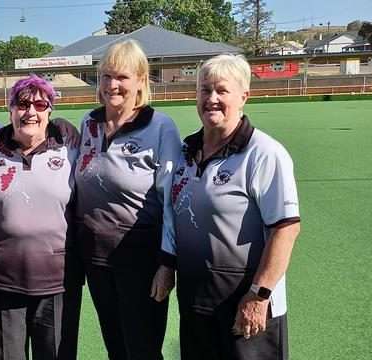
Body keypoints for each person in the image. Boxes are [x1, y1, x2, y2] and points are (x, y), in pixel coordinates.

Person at [154, 54, 301, 360]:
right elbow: (174, 215)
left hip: (246, 302)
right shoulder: (184, 152)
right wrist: (167, 264)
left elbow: (285, 230)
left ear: (244, 96)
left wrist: (259, 296)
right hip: (196, 301)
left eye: (222, 91)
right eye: (205, 90)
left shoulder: (264, 153)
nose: (212, 99)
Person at [73, 40, 182, 360]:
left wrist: (166, 263)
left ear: (141, 81)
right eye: (106, 76)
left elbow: (171, 200)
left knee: (143, 348)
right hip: (95, 256)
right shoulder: (88, 123)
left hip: (141, 258)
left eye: (122, 77)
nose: (112, 85)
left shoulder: (161, 127)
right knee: (116, 345)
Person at [0, 75, 81, 360]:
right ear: (10, 108)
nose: (31, 112)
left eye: (40, 104)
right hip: (2, 276)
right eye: (23, 104)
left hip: (57, 278)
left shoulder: (69, 144)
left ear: (50, 110)